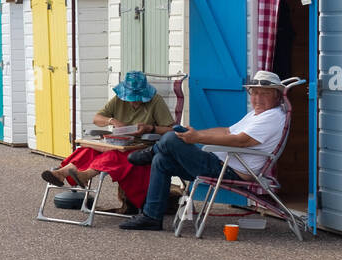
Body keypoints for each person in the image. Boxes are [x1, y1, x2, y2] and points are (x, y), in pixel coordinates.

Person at [120, 71, 289, 231]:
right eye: (254, 92)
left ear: (277, 95)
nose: (257, 98)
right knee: (162, 161)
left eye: (264, 93)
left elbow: (241, 141)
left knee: (171, 138)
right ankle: (151, 217)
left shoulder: (272, 116)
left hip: (230, 171)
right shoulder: (257, 114)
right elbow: (227, 131)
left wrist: (197, 139)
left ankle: (151, 152)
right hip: (219, 164)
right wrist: (195, 134)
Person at [40, 71, 175, 212]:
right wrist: (112, 121)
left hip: (142, 146)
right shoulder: (119, 99)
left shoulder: (156, 101)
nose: (134, 101)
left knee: (113, 155)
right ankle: (62, 173)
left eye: (137, 98)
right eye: (130, 98)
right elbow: (97, 118)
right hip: (119, 142)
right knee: (88, 150)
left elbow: (171, 130)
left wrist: (150, 128)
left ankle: (86, 174)